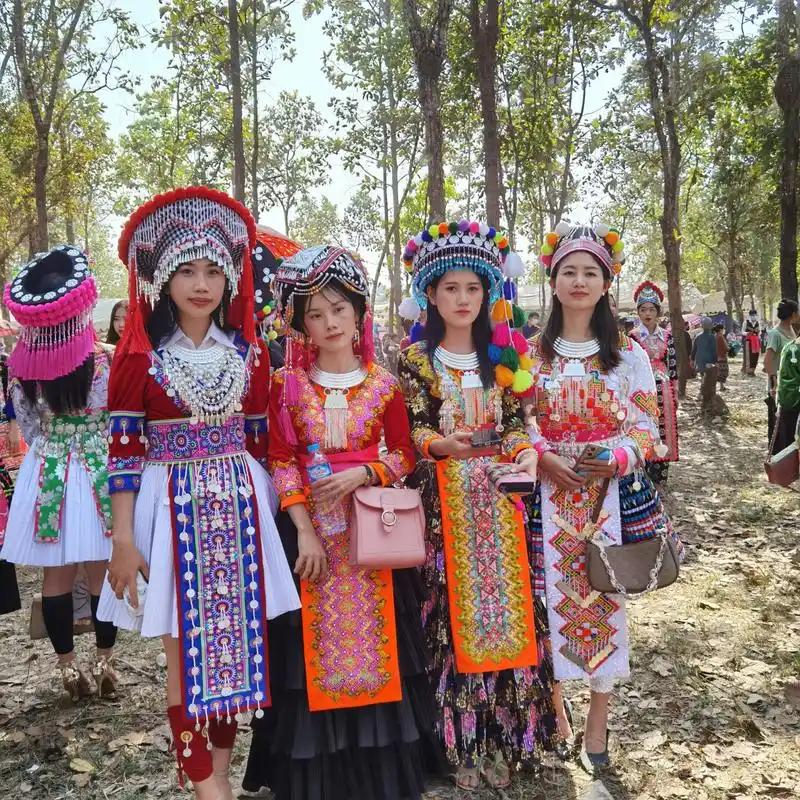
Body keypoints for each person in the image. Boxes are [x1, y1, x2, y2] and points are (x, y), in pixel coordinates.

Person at [96, 187, 299, 800]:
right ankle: (210, 792)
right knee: (185, 661)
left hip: (241, 508)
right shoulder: (139, 358)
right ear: (161, 277)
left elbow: (265, 445)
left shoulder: (250, 353)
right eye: (186, 270)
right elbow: (124, 457)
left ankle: (223, 784)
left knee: (233, 652)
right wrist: (124, 538)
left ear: (231, 276)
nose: (201, 284)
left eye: (213, 269)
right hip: (168, 510)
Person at [242, 245, 439, 800]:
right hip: (309, 534)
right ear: (301, 323)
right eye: (316, 314)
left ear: (359, 313)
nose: (329, 323)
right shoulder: (288, 384)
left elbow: (404, 453)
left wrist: (364, 475)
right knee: (307, 659)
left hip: (371, 533)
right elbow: (281, 458)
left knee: (380, 650)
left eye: (339, 310)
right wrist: (302, 527)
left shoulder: (384, 383)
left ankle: (376, 775)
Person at [398, 221, 558, 791]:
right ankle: (456, 747)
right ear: (431, 296)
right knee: (449, 624)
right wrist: (441, 445)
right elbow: (408, 433)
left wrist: (522, 454)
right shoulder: (416, 361)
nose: (463, 300)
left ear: (488, 293)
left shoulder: (504, 356)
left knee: (510, 617)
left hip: (499, 503)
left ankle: (506, 739)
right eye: (450, 289)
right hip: (444, 513)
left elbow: (519, 425)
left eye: (473, 289)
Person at [529, 222, 681, 774]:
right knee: (546, 607)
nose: (578, 280)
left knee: (602, 607)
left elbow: (646, 429)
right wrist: (544, 454)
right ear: (552, 279)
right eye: (568, 270)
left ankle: (597, 724)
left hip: (605, 504)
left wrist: (616, 458)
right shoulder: (529, 354)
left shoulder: (629, 356)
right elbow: (518, 422)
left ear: (605, 282)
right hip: (544, 499)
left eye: (590, 271)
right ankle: (558, 714)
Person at [0, 245, 118, 699]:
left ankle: (69, 670)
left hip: (48, 467)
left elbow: (28, 424)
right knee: (103, 571)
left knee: (56, 576)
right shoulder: (105, 359)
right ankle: (106, 660)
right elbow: (114, 415)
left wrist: (53, 439)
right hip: (97, 465)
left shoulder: (22, 367)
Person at [631, 281, 678, 486]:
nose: (647, 313)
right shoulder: (632, 337)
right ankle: (642, 472)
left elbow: (674, 367)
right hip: (640, 388)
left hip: (664, 389)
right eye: (643, 309)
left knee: (663, 428)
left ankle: (661, 476)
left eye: (651, 309)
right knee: (641, 425)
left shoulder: (667, 336)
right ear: (638, 312)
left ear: (658, 312)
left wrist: (675, 394)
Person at [765, 299, 800, 450]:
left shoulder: (792, 331)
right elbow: (767, 361)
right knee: (777, 422)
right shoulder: (775, 333)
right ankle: (776, 454)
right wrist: (774, 383)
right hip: (779, 383)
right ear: (793, 314)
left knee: (789, 424)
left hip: (792, 382)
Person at [692, 318, 718, 413]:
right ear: (710, 326)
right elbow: (714, 351)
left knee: (703, 376)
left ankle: (702, 393)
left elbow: (694, 350)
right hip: (709, 361)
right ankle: (707, 397)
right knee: (709, 379)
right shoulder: (712, 337)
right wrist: (715, 361)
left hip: (700, 361)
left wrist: (692, 360)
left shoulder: (697, 336)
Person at [742, 309, 761, 375]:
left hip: (756, 341)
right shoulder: (746, 322)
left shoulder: (758, 322)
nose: (754, 316)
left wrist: (758, 332)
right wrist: (747, 333)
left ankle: (753, 370)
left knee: (756, 355)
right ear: (750, 316)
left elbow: (760, 331)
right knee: (749, 355)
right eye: (752, 315)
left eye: (755, 315)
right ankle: (748, 371)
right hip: (749, 341)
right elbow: (742, 332)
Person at [714, 324, 729, 390]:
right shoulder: (720, 336)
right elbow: (725, 346)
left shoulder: (715, 336)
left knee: (718, 372)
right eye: (723, 329)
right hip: (722, 356)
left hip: (716, 356)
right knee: (723, 372)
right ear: (720, 330)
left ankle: (720, 386)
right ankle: (721, 386)